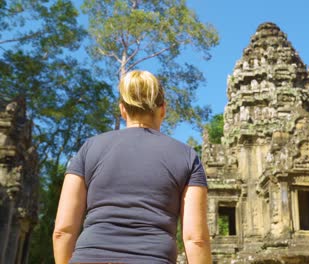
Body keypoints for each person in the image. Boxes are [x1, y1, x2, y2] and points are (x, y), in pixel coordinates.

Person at [53, 70, 212, 264]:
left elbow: (63, 231)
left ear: (122, 109)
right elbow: (196, 239)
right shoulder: (187, 156)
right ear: (163, 109)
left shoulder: (89, 148)